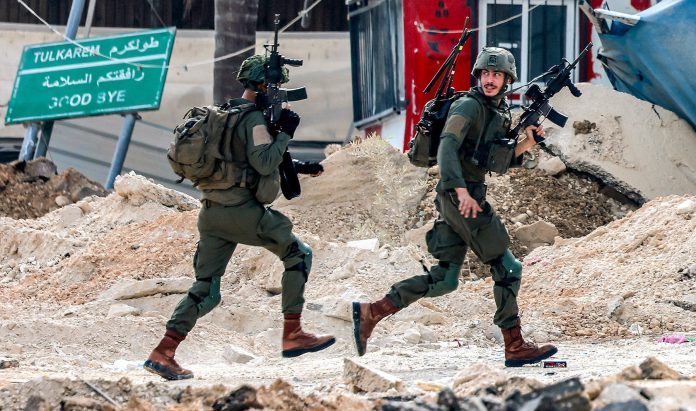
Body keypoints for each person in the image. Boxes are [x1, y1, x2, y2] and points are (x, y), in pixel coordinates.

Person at [352, 47, 557, 367]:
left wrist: (528, 141)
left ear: (507, 80)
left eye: (497, 75)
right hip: (461, 197)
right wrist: (460, 190)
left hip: (459, 197)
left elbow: (497, 161)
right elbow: (447, 145)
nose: (490, 80)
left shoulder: (498, 111)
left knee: (445, 279)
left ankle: (372, 312)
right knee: (508, 268)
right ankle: (514, 345)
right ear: (479, 76)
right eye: (485, 74)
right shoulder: (469, 106)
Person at [144, 55, 334, 381]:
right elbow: (263, 162)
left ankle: (163, 352)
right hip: (242, 212)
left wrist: (299, 166)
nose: (279, 92)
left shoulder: (225, 115)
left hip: (211, 213)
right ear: (262, 85)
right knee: (298, 254)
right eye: (276, 86)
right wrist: (286, 133)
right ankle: (293, 333)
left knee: (206, 290)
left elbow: (239, 160)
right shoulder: (255, 120)